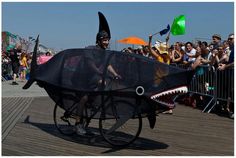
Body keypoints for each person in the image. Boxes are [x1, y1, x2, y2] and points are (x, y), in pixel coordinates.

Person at [75, 30, 121, 135]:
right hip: (82, 77)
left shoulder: (104, 52)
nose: (107, 42)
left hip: (92, 76)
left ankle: (87, 113)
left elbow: (108, 65)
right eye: (104, 40)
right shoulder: (90, 50)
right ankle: (77, 124)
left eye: (108, 40)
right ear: (99, 41)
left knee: (101, 90)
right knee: (85, 97)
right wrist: (101, 76)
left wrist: (115, 74)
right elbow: (91, 65)